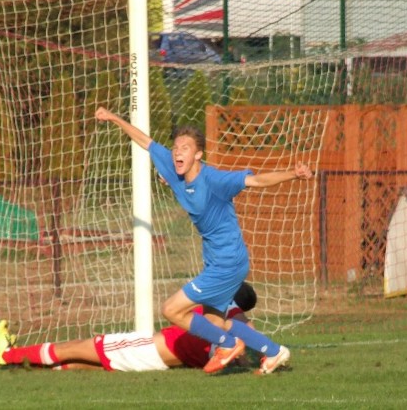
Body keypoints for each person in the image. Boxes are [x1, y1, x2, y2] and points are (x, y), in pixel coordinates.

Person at [94, 107, 313, 375]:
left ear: (198, 154)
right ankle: (273, 351)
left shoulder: (214, 179)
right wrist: (114, 118)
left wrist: (293, 173)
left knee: (171, 310)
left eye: (185, 148)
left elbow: (255, 181)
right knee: (214, 323)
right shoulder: (173, 169)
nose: (177, 152)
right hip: (218, 261)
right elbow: (145, 141)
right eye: (176, 147)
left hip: (228, 262)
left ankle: (230, 345)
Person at [0, 282, 258, 372]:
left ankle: (6, 356)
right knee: (85, 362)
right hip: (160, 361)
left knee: (77, 347)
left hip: (146, 349)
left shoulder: (222, 312)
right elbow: (248, 334)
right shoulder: (235, 328)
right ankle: (25, 364)